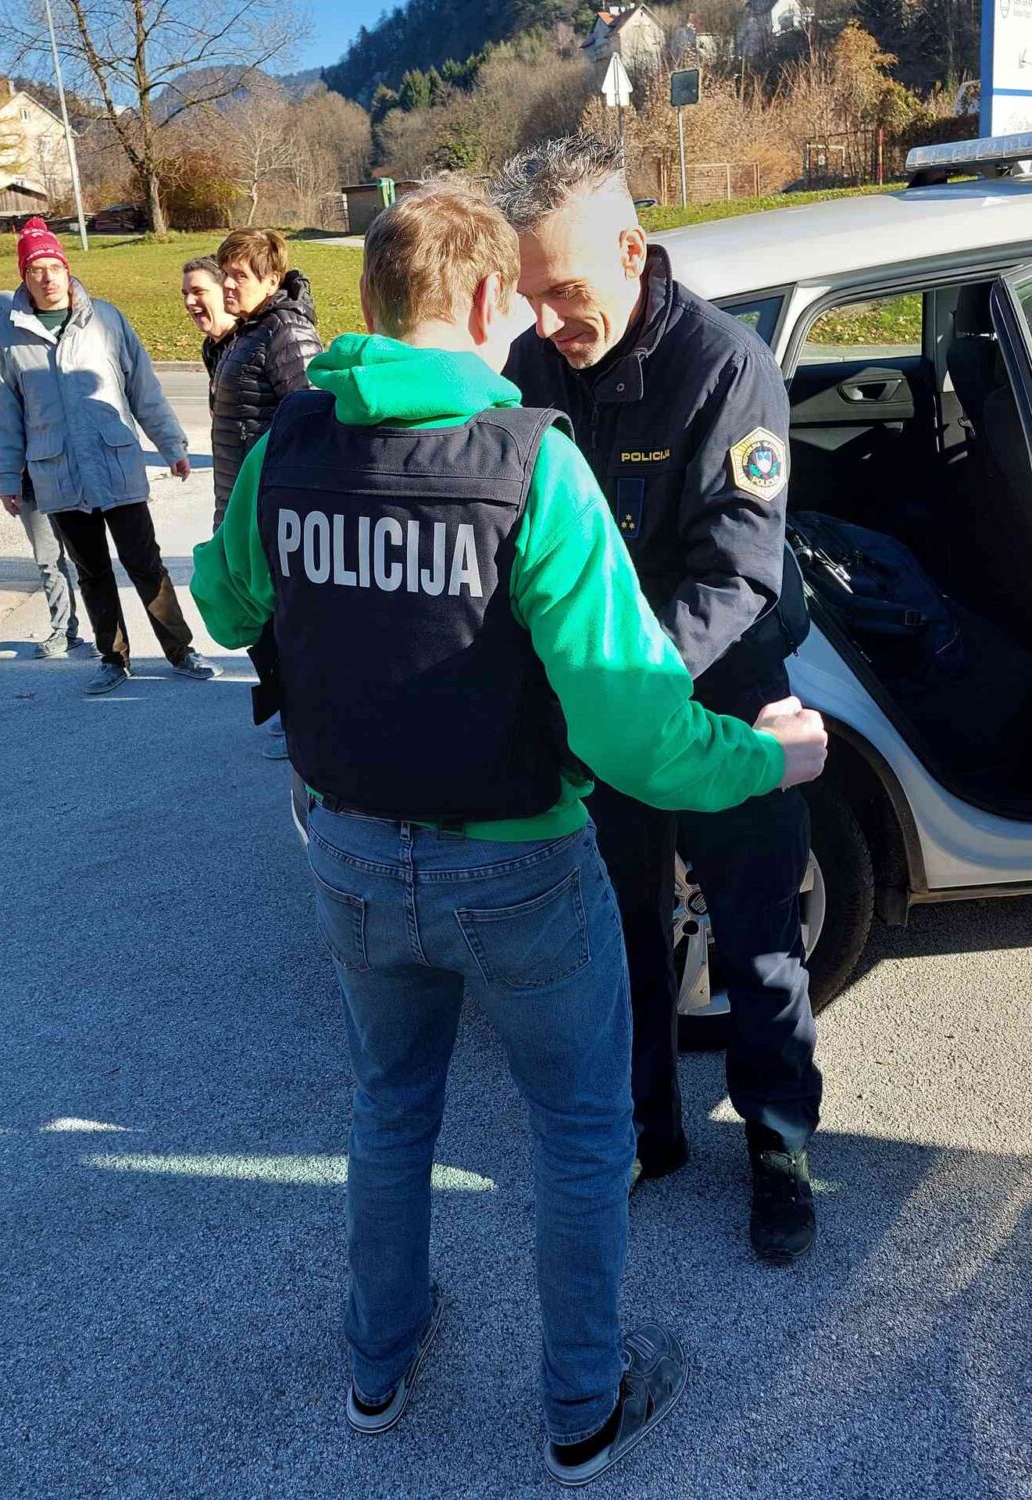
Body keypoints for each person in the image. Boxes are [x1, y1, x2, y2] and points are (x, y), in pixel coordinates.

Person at [191, 185, 827, 1485]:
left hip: (354, 858)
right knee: (580, 1136)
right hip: (527, 851)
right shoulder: (527, 455)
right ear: (485, 298)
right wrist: (773, 756)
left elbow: (224, 604)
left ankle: (378, 1368)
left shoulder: (290, 439)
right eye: (521, 299)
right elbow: (631, 734)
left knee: (390, 1109)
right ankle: (581, 1413)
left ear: (366, 296)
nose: (536, 322)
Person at [494, 134, 823, 1264]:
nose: (546, 321)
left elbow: (738, 574)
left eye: (565, 291)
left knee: (758, 941)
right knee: (622, 934)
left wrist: (622, 684)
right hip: (607, 715)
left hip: (721, 697)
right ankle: (649, 1131)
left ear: (633, 252)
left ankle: (779, 1143)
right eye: (529, 296)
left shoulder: (728, 368)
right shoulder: (532, 370)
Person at [0, 217, 219, 697]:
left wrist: (171, 445)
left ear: (67, 269)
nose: (47, 278)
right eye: (36, 270)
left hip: (115, 465)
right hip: (59, 475)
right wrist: (6, 476)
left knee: (145, 564)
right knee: (92, 573)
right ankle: (113, 658)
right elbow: (3, 415)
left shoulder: (106, 319)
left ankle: (180, 651)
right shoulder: (8, 336)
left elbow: (142, 388)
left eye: (54, 267)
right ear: (24, 277)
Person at [212, 227, 321, 760]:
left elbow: (313, 418)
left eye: (239, 276)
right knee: (259, 612)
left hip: (271, 505)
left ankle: (302, 720)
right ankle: (288, 711)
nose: (227, 285)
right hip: (242, 498)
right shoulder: (249, 331)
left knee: (283, 617)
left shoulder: (285, 331)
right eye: (224, 274)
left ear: (272, 278)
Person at [0, 350, 86, 658]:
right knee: (48, 559)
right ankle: (64, 630)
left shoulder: (44, 357)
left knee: (88, 557)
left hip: (65, 473)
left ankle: (109, 634)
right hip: (25, 483)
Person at [181, 255, 236, 418]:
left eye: (198, 291)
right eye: (185, 294)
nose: (189, 301)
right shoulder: (211, 347)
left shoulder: (252, 344)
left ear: (226, 291)